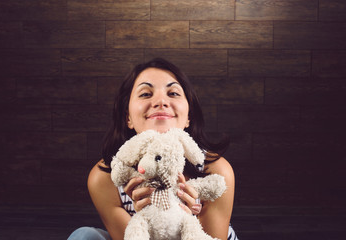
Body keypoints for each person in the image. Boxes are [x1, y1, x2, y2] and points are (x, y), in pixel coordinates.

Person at [68, 58, 238, 240]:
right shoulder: (106, 177)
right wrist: (143, 218)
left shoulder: (216, 172)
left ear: (189, 116)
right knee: (84, 236)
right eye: (145, 94)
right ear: (128, 118)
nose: (161, 101)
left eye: (173, 93)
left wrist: (183, 219)